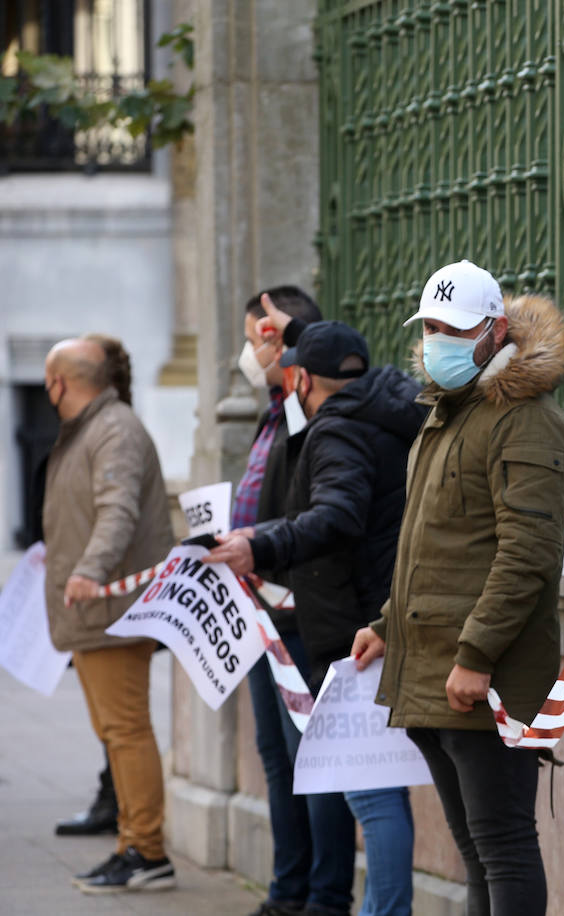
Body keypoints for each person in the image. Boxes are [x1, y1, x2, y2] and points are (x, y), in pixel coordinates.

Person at [351, 260, 564, 916]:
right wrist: (385, 623)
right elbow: (430, 546)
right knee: (476, 850)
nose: (439, 340)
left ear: (496, 330)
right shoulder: (450, 413)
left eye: (456, 329)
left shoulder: (524, 419)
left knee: (502, 845)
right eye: (431, 328)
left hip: (481, 674)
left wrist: (477, 655)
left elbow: (527, 554)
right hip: (433, 669)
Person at [209, 320, 426, 916]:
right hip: (382, 616)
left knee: (372, 792)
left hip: (357, 629)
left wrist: (261, 544)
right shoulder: (388, 414)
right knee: (379, 787)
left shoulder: (338, 430)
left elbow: (337, 515)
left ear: (302, 378)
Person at [42, 335, 176, 893]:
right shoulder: (98, 426)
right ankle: (130, 843)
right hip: (97, 613)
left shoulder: (113, 428)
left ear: (58, 384)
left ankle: (146, 849)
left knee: (125, 730)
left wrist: (89, 571)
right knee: (114, 730)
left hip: (112, 610)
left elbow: (116, 510)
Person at [232, 286, 343, 916]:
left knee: (312, 760)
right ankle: (288, 890)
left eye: (259, 339)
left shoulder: (309, 406)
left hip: (299, 611)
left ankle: (324, 897)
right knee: (277, 758)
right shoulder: (273, 409)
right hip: (258, 608)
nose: (251, 353)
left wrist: (294, 337)